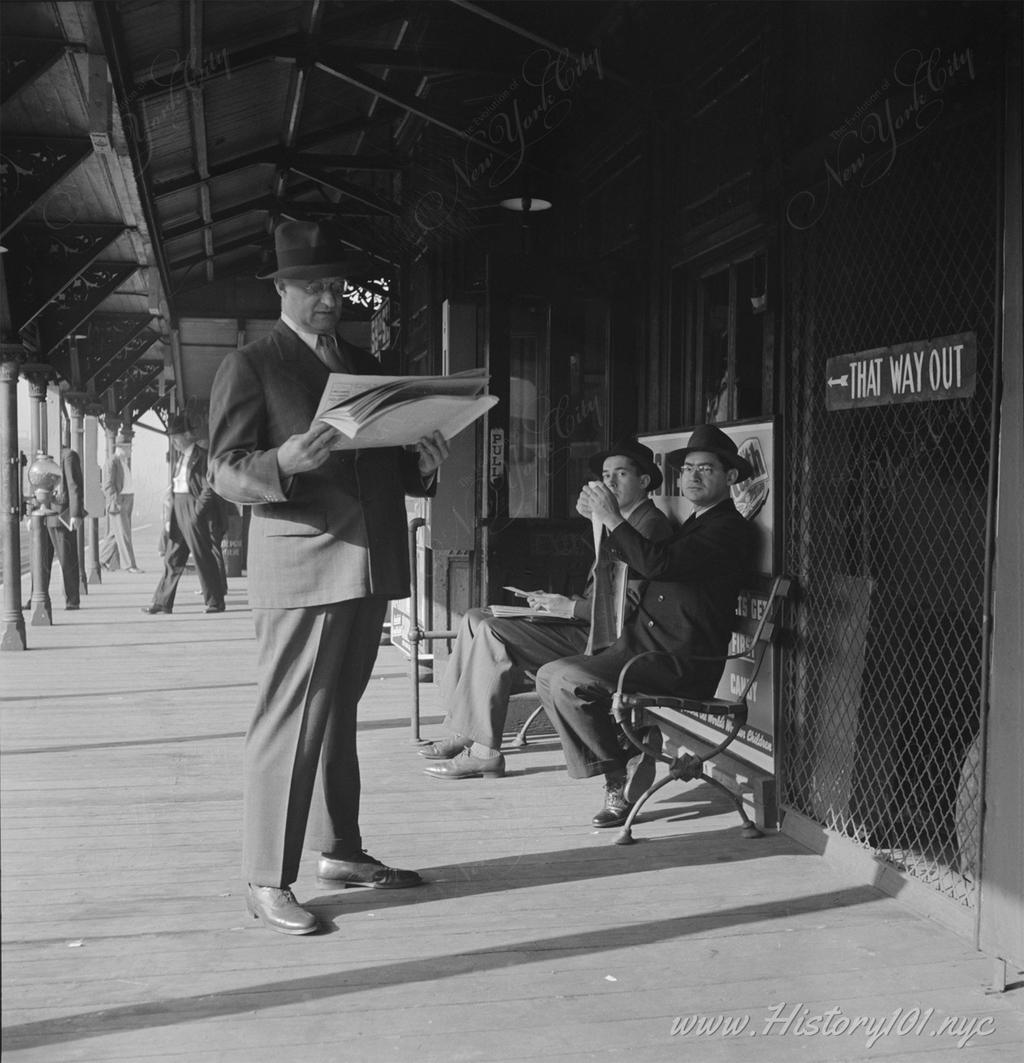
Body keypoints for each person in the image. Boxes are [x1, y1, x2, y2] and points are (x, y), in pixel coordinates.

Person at [206, 220, 449, 936]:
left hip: (368, 562)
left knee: (335, 714)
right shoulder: (251, 363)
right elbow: (223, 470)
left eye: (334, 284)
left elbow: (381, 460)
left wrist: (423, 464)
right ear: (281, 287)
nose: (326, 296)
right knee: (289, 719)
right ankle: (264, 877)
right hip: (305, 564)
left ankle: (339, 849)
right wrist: (283, 460)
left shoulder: (357, 360)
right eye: (311, 284)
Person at [535, 424, 759, 829]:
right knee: (550, 676)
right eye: (688, 468)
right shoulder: (697, 522)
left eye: (705, 469)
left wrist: (610, 515)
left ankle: (616, 774)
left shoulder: (728, 528)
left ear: (730, 477)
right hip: (645, 646)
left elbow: (657, 563)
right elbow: (639, 564)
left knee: (567, 680)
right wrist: (601, 521)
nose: (692, 476)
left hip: (679, 660)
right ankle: (619, 765)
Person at [421, 437, 673, 780]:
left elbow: (622, 609)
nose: (609, 482)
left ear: (644, 481)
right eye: (605, 475)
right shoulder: (618, 519)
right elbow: (602, 584)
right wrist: (555, 603)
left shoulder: (648, 524)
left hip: (605, 639)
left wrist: (567, 607)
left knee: (492, 631)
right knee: (475, 617)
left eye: (621, 474)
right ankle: (465, 730)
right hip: (586, 622)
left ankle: (484, 751)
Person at [140, 415, 225, 615]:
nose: (174, 441)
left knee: (203, 557)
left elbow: (209, 487)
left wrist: (196, 512)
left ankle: (215, 602)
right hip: (178, 508)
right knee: (172, 557)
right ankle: (162, 602)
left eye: (176, 437)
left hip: (192, 508)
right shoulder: (178, 458)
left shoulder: (203, 457)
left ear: (188, 435)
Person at [36, 436, 85, 610]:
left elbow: (74, 486)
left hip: (61, 515)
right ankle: (37, 595)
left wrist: (75, 513)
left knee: (67, 559)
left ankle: (72, 599)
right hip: (45, 514)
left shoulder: (68, 456)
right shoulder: (45, 460)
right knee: (41, 560)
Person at [101, 431, 142, 573]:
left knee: (115, 534)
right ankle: (130, 565)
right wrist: (115, 501)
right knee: (124, 534)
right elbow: (107, 484)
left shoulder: (122, 462)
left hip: (127, 499)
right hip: (120, 501)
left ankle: (101, 559)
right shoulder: (112, 462)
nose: (131, 450)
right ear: (122, 448)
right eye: (129, 447)